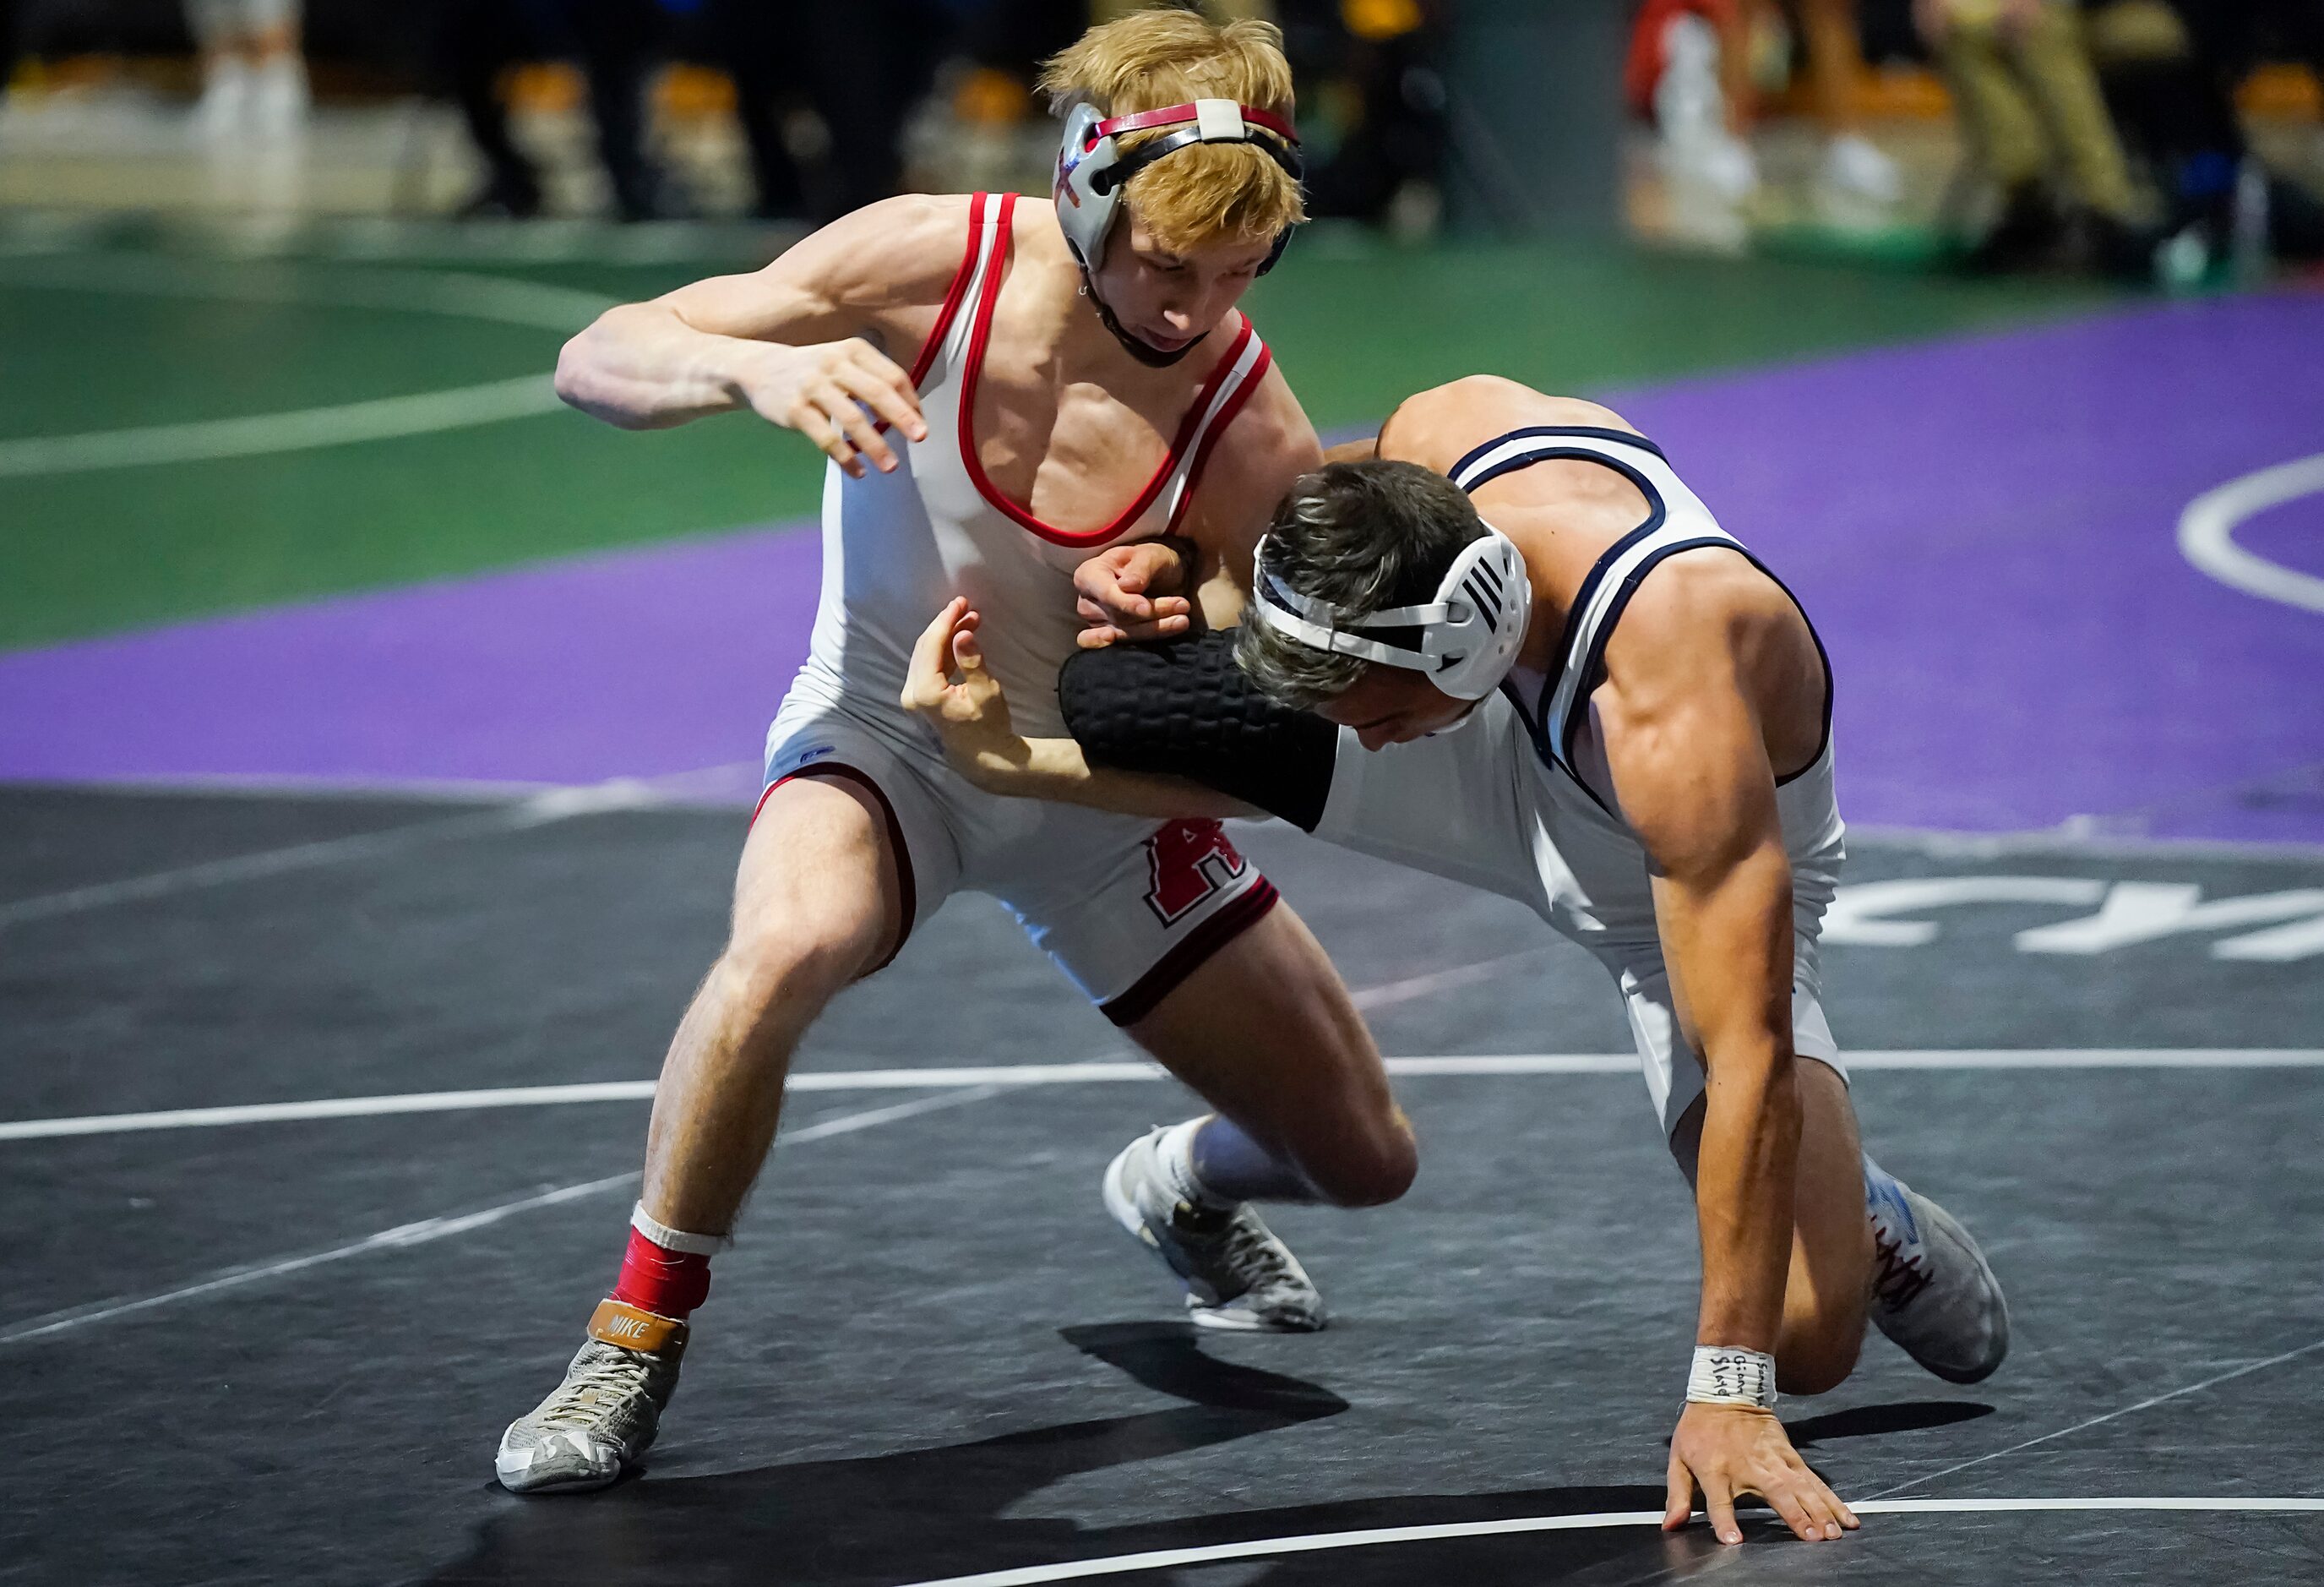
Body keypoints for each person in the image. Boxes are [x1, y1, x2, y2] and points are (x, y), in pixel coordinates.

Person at [494, 11, 1422, 1496]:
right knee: (786, 947)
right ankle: (631, 1339)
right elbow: (596, 353)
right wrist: (751, 375)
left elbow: (1285, 646)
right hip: (886, 741)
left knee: (1368, 1159)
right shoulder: (936, 263)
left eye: (1239, 277)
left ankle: (1175, 1187)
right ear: (1084, 195)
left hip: (1087, 798)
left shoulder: (1244, 413)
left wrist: (1189, 582)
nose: (1194, 312)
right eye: (1167, 268)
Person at [902, 374, 2011, 1549]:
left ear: (1455, 636)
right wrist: (1182, 556)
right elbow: (1322, 488)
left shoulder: (1672, 685)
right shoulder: (1447, 436)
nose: (1354, 732)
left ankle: (1858, 1205)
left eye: (1365, 710)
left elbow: (1749, 1053)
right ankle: (1023, 788)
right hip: (1496, 727)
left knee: (1803, 1337)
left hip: (1650, 882)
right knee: (1121, 691)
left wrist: (1731, 1394)